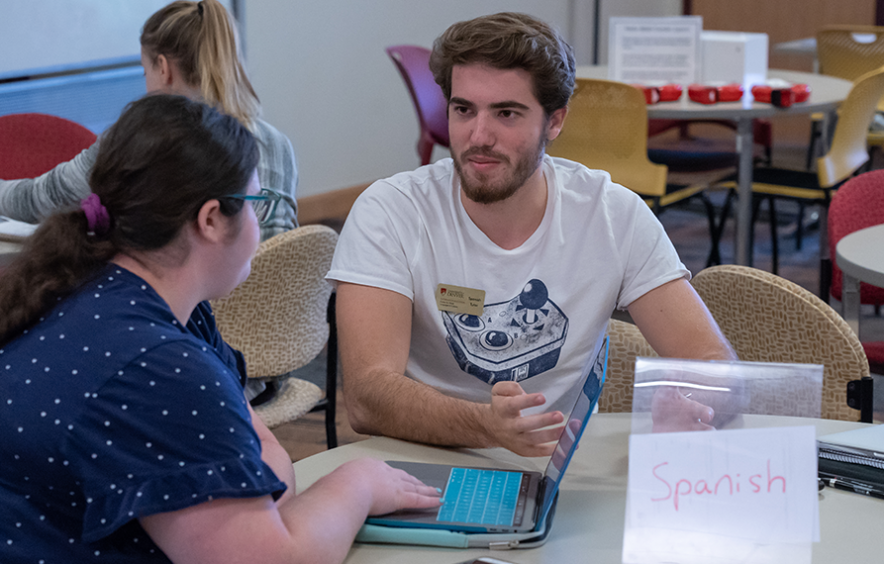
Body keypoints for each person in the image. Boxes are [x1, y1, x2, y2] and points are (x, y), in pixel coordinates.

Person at [0, 95, 440, 564]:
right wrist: (358, 483)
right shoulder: (162, 365)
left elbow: (265, 474)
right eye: (254, 204)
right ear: (210, 219)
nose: (257, 222)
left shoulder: (78, 289)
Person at [326, 12, 738, 458]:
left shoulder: (611, 214)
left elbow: (718, 367)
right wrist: (487, 425)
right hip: (419, 464)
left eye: (506, 113)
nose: (478, 136)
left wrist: (694, 404)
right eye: (463, 110)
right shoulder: (391, 211)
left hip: (558, 469)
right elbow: (367, 397)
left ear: (555, 121)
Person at [0, 0, 298, 242]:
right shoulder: (277, 144)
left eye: (146, 72)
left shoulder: (139, 141)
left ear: (164, 69)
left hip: (176, 313)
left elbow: (36, 201)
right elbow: (284, 251)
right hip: (270, 310)